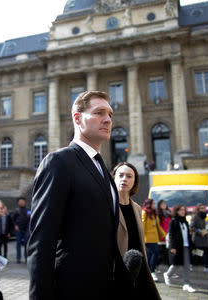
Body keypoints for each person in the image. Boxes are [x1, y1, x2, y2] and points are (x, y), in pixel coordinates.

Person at [27, 91, 127, 299]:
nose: (108, 119)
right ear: (77, 118)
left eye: (110, 114)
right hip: (71, 289)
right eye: (99, 113)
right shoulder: (59, 162)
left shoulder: (104, 171)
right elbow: (42, 242)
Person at [112, 162, 161, 299]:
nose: (124, 179)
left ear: (134, 182)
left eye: (129, 176)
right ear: (113, 178)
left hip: (139, 268)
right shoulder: (107, 206)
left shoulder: (138, 208)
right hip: (119, 271)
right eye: (120, 175)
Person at [163, 204, 196, 293]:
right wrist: (173, 247)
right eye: (180, 210)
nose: (183, 211)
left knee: (187, 265)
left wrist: (192, 245)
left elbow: (188, 235)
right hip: (177, 247)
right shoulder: (173, 221)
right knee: (176, 265)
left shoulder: (185, 221)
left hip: (186, 246)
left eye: (183, 210)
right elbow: (171, 235)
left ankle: (186, 284)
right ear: (176, 211)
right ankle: (167, 275)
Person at [141, 198, 165, 282]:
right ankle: (152, 271)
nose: (155, 205)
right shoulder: (144, 213)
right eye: (153, 204)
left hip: (154, 238)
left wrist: (164, 234)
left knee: (150, 255)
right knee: (155, 253)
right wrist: (142, 238)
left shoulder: (154, 214)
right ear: (149, 204)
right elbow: (142, 226)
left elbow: (158, 226)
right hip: (147, 239)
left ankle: (149, 271)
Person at [190, 203, 208, 273]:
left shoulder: (203, 216)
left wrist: (205, 232)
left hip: (204, 238)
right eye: (201, 208)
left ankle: (207, 267)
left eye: (204, 208)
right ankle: (190, 264)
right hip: (198, 238)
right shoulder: (195, 217)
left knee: (206, 252)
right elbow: (192, 227)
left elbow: (203, 227)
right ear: (198, 209)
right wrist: (199, 231)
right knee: (197, 253)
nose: (203, 209)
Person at [13, 197, 29, 264]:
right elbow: (13, 219)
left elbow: (30, 218)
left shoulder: (28, 209)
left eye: (22, 201)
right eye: (20, 201)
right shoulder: (16, 210)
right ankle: (18, 258)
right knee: (18, 244)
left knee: (26, 244)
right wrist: (15, 225)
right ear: (18, 202)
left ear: (24, 202)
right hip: (19, 229)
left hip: (26, 230)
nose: (21, 202)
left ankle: (26, 258)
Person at [157, 200, 171, 266]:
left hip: (168, 235)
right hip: (161, 235)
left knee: (168, 252)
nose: (164, 205)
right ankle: (156, 266)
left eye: (165, 204)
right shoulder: (158, 214)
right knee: (160, 252)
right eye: (162, 204)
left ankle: (169, 267)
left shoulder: (169, 214)